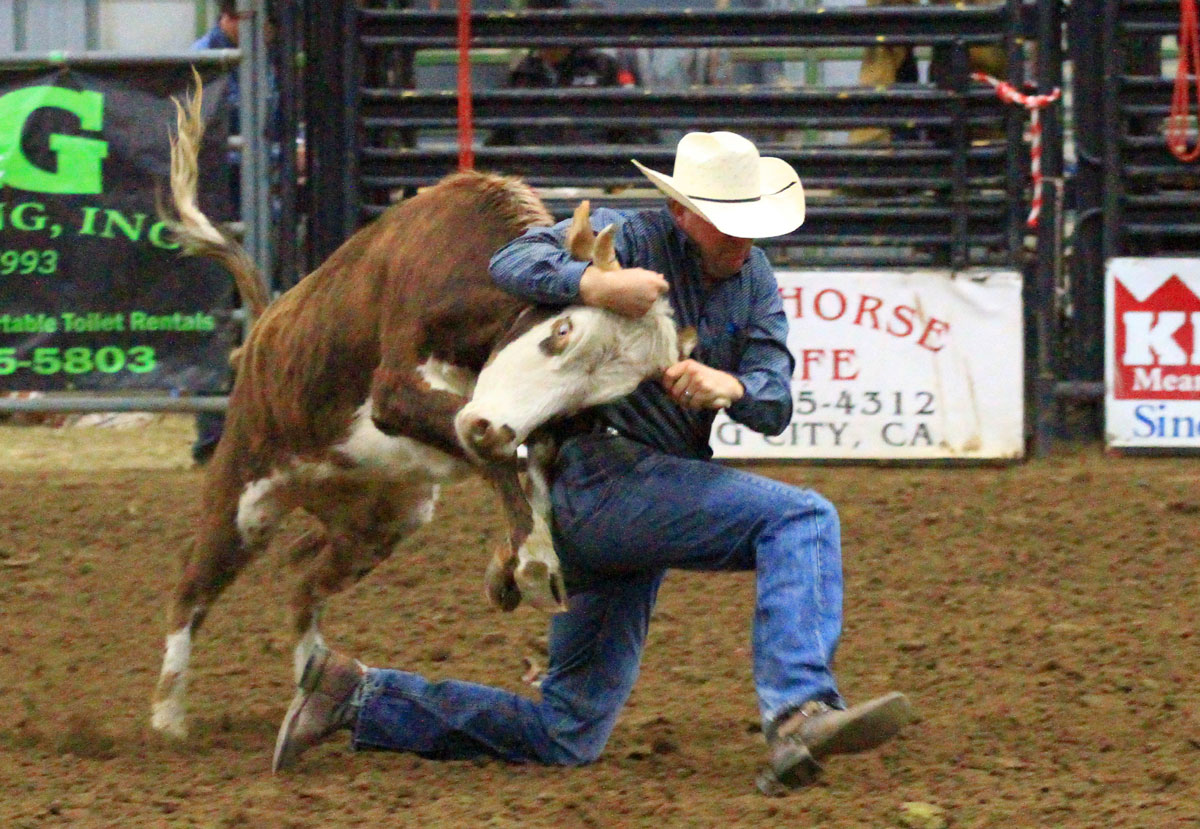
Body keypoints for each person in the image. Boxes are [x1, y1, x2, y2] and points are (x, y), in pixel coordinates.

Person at [271, 131, 912, 794]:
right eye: (728, 225)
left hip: (625, 506)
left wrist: (735, 388)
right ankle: (799, 710)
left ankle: (356, 695)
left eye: (749, 225)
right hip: (600, 473)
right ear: (684, 214)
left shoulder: (754, 281)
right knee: (802, 518)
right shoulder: (626, 239)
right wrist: (595, 283)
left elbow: (774, 393)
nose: (742, 242)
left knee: (565, 732)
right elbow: (514, 261)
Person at [189, 0, 244, 465]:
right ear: (230, 18)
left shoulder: (258, 63)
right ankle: (212, 437)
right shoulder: (200, 64)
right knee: (216, 313)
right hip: (218, 201)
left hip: (251, 199)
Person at [486, 0, 646, 147]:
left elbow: (629, 131)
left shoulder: (601, 67)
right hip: (535, 174)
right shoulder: (521, 76)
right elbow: (501, 139)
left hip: (590, 173)